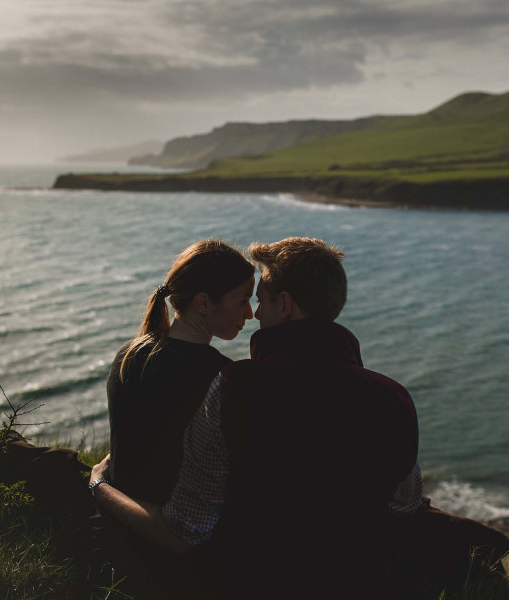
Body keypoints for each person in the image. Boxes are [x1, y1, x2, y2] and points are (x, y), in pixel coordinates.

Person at [91, 237, 423, 599]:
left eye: (260, 300)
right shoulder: (395, 398)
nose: (254, 314)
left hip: (247, 580)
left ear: (284, 305)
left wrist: (99, 485)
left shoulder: (235, 387)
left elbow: (189, 528)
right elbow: (404, 505)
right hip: (365, 581)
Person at [98, 239, 254, 595]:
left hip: (119, 527)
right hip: (178, 553)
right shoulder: (222, 379)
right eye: (243, 300)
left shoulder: (129, 354)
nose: (250, 313)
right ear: (203, 303)